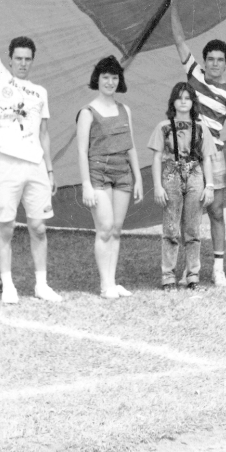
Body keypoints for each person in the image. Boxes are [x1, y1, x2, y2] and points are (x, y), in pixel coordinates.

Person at [0, 0, 62, 305]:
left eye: (28, 59)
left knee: (38, 227)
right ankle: (9, 286)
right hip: (7, 165)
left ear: (32, 61)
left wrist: (51, 170)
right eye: (18, 59)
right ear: (9, 61)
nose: (23, 63)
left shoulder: (40, 92)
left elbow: (45, 134)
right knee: (7, 227)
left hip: (36, 166)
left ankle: (41, 285)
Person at [168, 0, 226, 287]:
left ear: (225, 64)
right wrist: (173, 5)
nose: (213, 64)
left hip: (218, 159)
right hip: (190, 157)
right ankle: (191, 268)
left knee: (217, 212)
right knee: (191, 215)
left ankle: (219, 270)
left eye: (219, 60)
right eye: (210, 59)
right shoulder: (193, 73)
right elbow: (179, 39)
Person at [76, 55, 143, 299]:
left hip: (123, 172)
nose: (110, 82)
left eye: (114, 77)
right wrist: (86, 185)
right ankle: (105, 285)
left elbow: (131, 146)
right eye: (106, 77)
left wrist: (138, 178)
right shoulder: (87, 112)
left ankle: (113, 282)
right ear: (98, 79)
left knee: (116, 229)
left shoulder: (125, 110)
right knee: (104, 228)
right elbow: (82, 151)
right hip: (98, 173)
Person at [148, 82, 217, 291]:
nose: (184, 102)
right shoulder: (163, 127)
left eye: (188, 98)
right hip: (171, 174)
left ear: (193, 102)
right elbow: (157, 157)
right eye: (179, 98)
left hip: (195, 174)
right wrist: (158, 186)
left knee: (192, 228)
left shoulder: (202, 128)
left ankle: (192, 275)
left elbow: (207, 158)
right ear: (173, 102)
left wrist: (210, 185)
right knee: (170, 227)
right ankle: (168, 275)